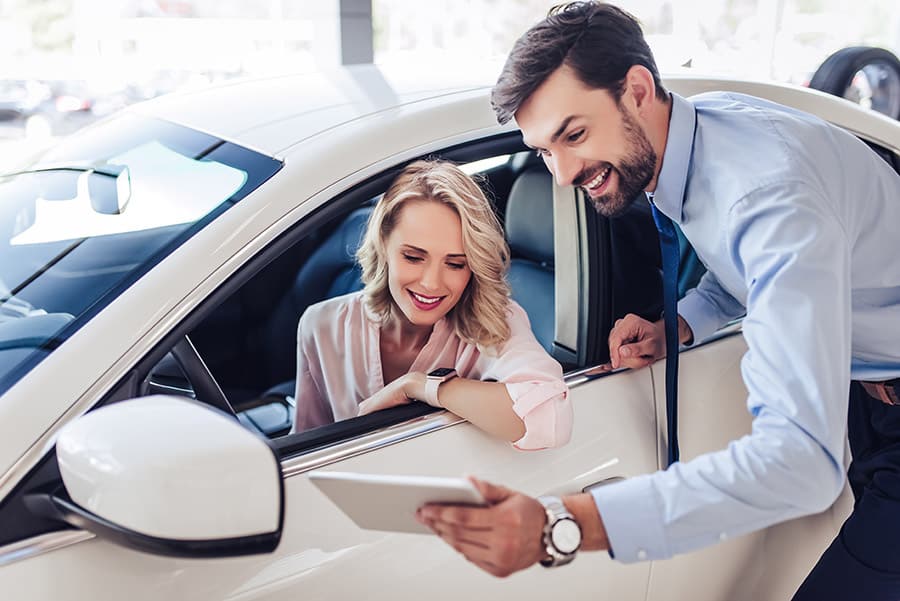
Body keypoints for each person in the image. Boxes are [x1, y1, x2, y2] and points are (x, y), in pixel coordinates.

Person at [415, 3, 900, 599]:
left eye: (574, 134)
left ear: (637, 89)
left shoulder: (768, 198)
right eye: (543, 150)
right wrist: (685, 324)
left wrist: (560, 524)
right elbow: (741, 264)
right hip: (870, 390)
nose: (562, 175)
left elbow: (800, 464)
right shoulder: (692, 144)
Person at [292, 159, 572, 450]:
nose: (432, 284)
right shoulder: (320, 325)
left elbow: (550, 419)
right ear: (383, 244)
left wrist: (422, 386)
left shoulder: (493, 321)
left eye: (455, 264)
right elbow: (304, 450)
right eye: (413, 257)